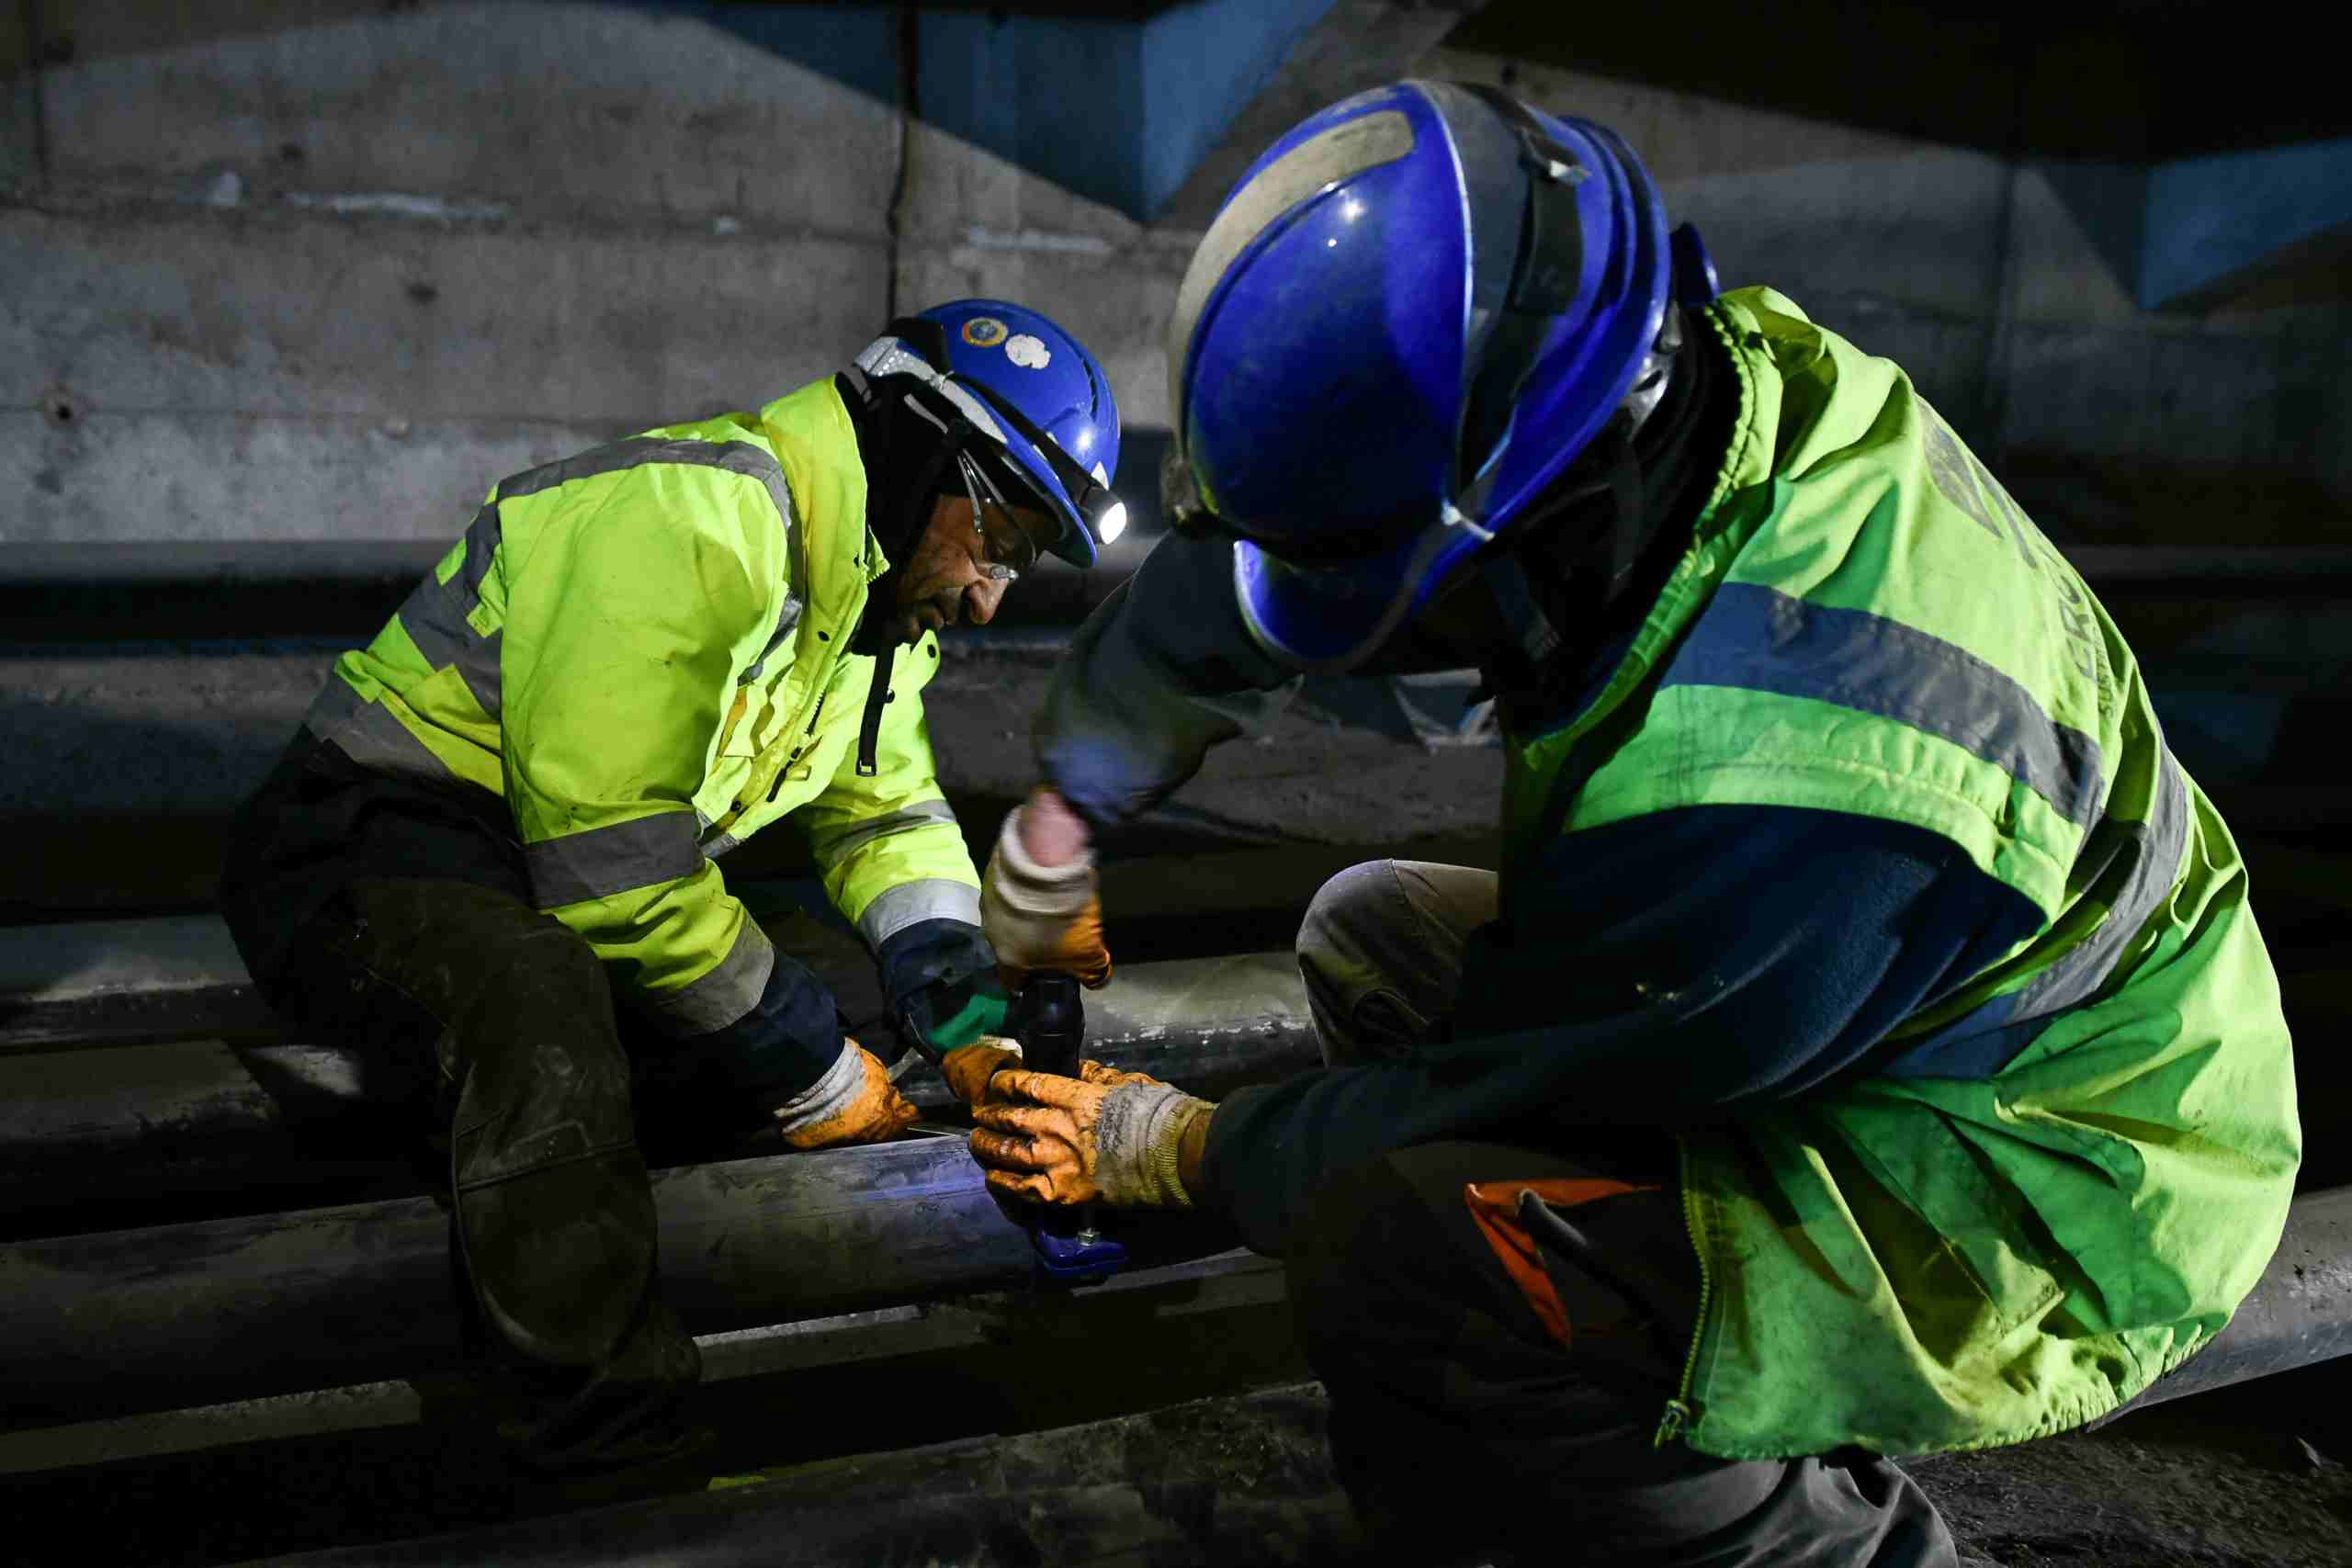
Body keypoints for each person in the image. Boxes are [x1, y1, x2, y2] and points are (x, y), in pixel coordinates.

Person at [964, 83, 2301, 1565]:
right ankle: (1594, 1376)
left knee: (1393, 1255)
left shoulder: (1778, 784)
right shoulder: (1681, 394)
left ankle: (1797, 1521)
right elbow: (1287, 561)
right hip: (1886, 1010)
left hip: (2049, 1184)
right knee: (1371, 931)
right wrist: (1064, 816)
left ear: (1528, 528)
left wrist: (1182, 1151)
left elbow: (1532, 1074)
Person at [218, 299, 1124, 1487]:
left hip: (536, 863)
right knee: (546, 1010)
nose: (990, 596)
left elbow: (885, 815)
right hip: (373, 841)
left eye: (1019, 561)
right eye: (997, 537)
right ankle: (604, 1457)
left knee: (788, 1006)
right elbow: (615, 862)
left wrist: (964, 1016)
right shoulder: (693, 518)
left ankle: (542, 1216)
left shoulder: (873, 604)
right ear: (920, 453)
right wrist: (812, 1066)